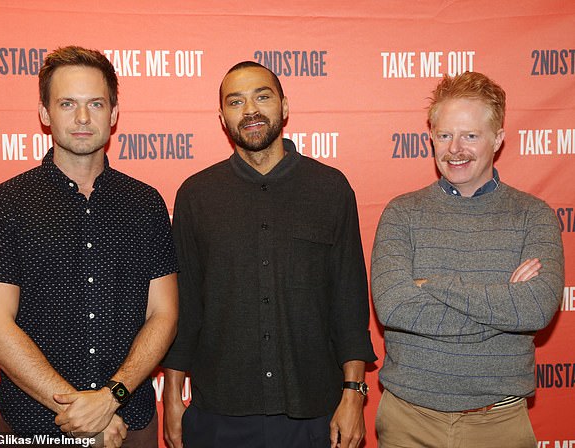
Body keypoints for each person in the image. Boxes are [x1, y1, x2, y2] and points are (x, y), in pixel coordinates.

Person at [0, 46, 179, 448]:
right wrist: (84, 413)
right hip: (34, 426)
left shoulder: (145, 203)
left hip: (130, 424)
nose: (83, 118)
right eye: (68, 104)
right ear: (45, 114)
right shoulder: (5, 204)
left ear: (114, 114)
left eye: (95, 104)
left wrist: (109, 399)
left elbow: (163, 315)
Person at [161, 61, 376, 448]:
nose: (251, 110)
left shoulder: (330, 189)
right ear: (223, 118)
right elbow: (186, 304)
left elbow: (348, 301)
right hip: (220, 411)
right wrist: (173, 396)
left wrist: (354, 394)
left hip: (314, 410)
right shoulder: (197, 195)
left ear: (284, 106)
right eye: (236, 101)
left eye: (262, 96)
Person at [371, 71, 564, 447]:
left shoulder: (533, 216)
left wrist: (434, 286)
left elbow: (537, 309)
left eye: (470, 136)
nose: (455, 149)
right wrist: (503, 303)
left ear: (498, 140)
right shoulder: (401, 213)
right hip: (408, 422)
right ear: (431, 137)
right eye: (445, 135)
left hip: (500, 424)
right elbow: (394, 307)